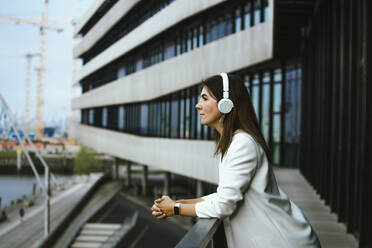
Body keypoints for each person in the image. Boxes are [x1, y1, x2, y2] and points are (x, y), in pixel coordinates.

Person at [151, 73, 320, 247]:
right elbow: (223, 196)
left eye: (204, 98)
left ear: (226, 104)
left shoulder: (242, 144)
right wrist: (176, 204)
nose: (197, 105)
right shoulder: (235, 143)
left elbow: (224, 205)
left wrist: (176, 209)